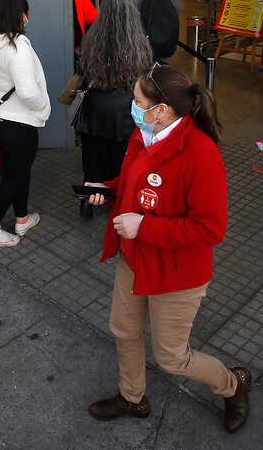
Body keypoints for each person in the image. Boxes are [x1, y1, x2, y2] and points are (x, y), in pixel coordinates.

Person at [85, 64, 251, 434]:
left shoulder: (201, 153)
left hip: (176, 274)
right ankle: (132, 397)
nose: (131, 106)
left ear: (161, 109)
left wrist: (143, 226)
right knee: (123, 330)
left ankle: (232, 385)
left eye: (136, 100)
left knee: (173, 357)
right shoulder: (146, 132)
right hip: (134, 260)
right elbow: (135, 181)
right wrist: (110, 189)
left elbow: (210, 228)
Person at [0, 0, 50, 247]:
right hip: (17, 125)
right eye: (26, 14)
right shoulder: (17, 46)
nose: (27, 19)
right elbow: (28, 92)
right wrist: (43, 106)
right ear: (19, 15)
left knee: (17, 169)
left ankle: (22, 218)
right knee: (14, 176)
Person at [74, 0, 151, 217]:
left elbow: (83, 72)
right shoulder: (139, 44)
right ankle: (121, 204)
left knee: (93, 159)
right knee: (122, 161)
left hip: (94, 110)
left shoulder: (90, 42)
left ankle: (87, 202)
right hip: (125, 113)